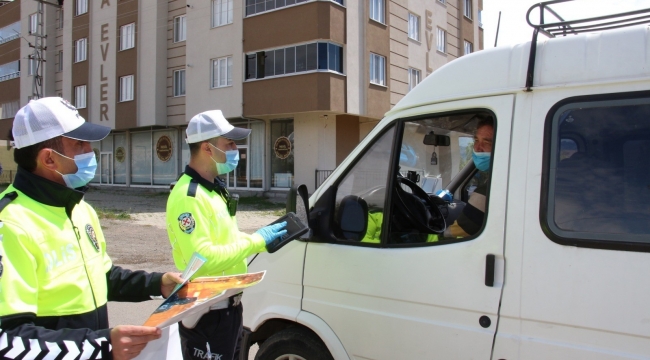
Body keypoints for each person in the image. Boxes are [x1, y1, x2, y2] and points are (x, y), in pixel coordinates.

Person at [0, 97, 183, 360]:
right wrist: (102, 346)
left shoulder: (79, 207)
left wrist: (156, 284)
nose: (91, 151)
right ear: (49, 159)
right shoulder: (11, 224)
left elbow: (101, 276)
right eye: (79, 144)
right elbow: (10, 339)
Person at [166, 110, 287, 360]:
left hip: (228, 308)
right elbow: (203, 257)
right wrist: (256, 241)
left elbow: (225, 240)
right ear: (207, 148)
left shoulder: (213, 190)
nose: (235, 149)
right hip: (207, 313)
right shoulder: (188, 196)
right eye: (229, 143)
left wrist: (257, 238)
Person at [444, 117, 494, 238]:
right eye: (476, 140)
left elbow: (452, 236)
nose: (477, 147)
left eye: (486, 142)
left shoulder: (487, 191)